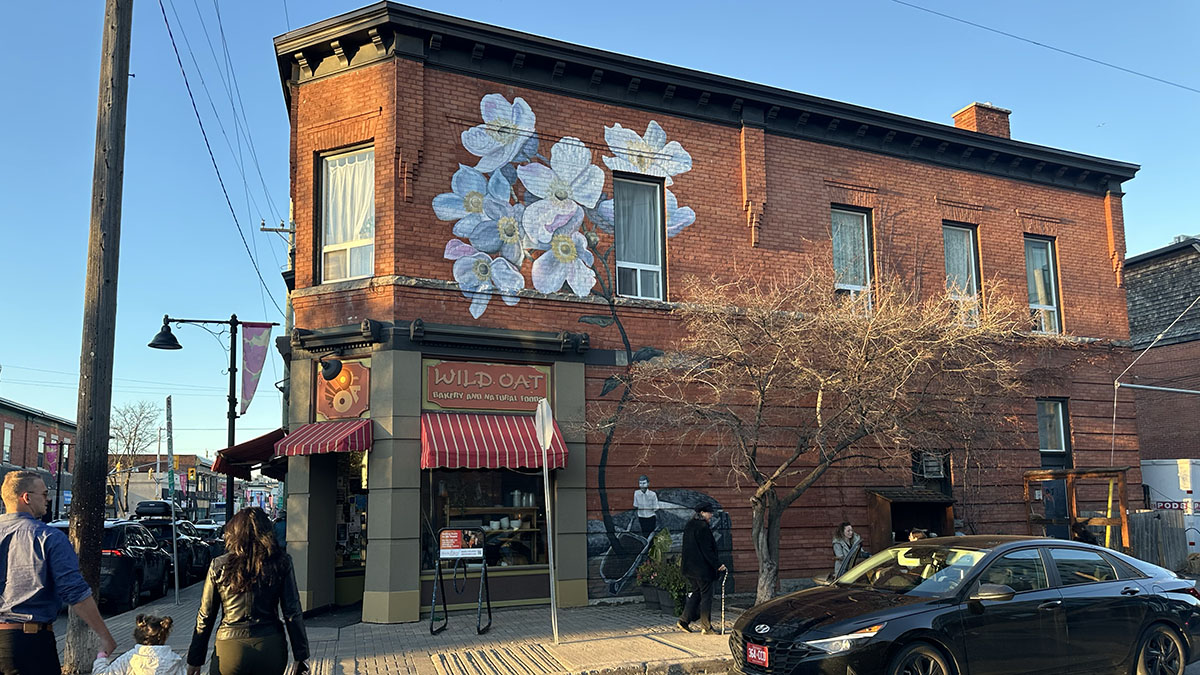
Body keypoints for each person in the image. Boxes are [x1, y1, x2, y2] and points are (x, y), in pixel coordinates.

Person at [0, 470, 118, 674]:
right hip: (31, 643)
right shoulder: (48, 537)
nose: (48, 499)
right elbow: (75, 592)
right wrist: (105, 636)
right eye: (44, 494)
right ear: (26, 497)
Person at [187, 507, 308, 675]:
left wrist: (195, 659)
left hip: (230, 647)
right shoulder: (281, 562)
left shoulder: (219, 565)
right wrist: (301, 655)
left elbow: (205, 616)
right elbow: (292, 610)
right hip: (270, 643)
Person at [677, 503, 725, 635]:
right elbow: (707, 550)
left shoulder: (689, 525)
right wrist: (717, 564)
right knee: (706, 596)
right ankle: (706, 626)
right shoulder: (703, 527)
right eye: (709, 513)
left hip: (690, 568)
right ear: (703, 513)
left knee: (697, 593)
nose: (711, 515)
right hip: (702, 569)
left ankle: (684, 620)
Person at [93, 614, 185, 675]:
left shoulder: (129, 658)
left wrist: (101, 657)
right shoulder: (174, 661)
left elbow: (102, 673)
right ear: (163, 637)